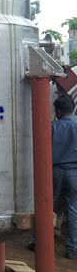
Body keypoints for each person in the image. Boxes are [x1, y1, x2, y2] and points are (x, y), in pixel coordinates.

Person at [52, 93, 77, 258]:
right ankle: (72, 248)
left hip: (55, 172)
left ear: (58, 111)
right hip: (75, 172)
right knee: (74, 210)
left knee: (47, 207)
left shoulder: (52, 127)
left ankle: (37, 242)